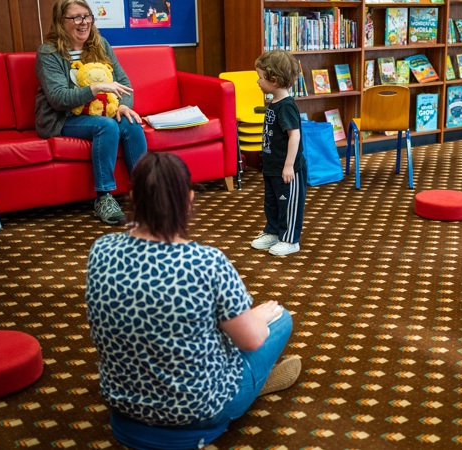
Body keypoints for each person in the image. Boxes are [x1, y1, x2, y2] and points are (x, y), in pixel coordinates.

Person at [85, 152, 300, 448]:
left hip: (125, 408)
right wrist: (258, 317)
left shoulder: (101, 251)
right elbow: (250, 340)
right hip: (201, 411)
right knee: (280, 318)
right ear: (187, 200)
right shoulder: (207, 262)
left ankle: (251, 381)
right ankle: (251, 386)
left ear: (134, 197)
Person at [35, 0, 147, 225]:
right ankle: (104, 198)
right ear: (60, 22)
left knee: (131, 122)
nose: (83, 22)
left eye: (87, 16)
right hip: (62, 117)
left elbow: (123, 81)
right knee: (106, 126)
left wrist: (124, 105)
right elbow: (58, 99)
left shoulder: (100, 44)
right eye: (76, 17)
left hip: (104, 111)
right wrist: (96, 88)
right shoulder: (49, 53)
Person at [250, 50, 307, 256]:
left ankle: (290, 239)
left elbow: (295, 136)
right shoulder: (273, 102)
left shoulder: (287, 107)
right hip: (272, 166)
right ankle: (273, 231)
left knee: (288, 204)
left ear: (273, 79)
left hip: (288, 169)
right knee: (272, 201)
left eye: (260, 77)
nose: (257, 81)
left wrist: (289, 165)